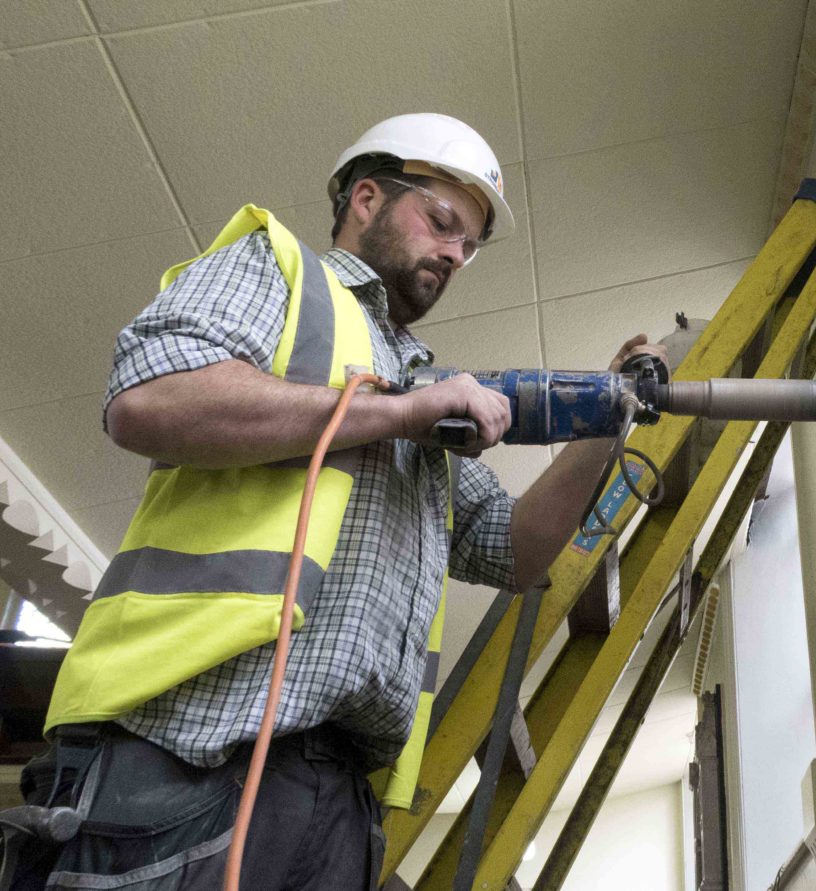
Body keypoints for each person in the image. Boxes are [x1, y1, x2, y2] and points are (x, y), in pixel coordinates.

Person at [14, 114, 667, 890]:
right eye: (443, 222)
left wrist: (606, 415)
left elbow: (512, 548)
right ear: (366, 197)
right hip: (194, 752)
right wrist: (397, 414)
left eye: (469, 245)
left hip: (341, 799)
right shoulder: (277, 271)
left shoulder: (424, 381)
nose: (455, 255)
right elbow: (150, 397)